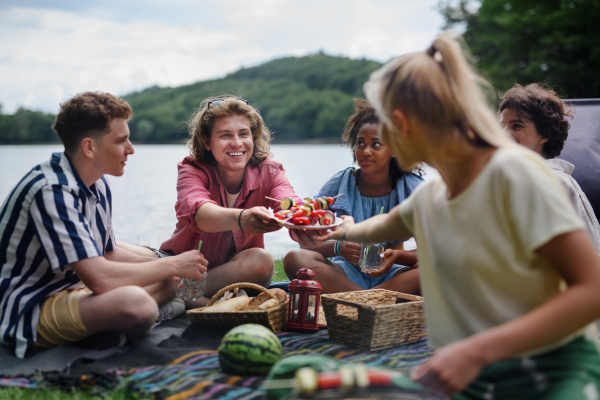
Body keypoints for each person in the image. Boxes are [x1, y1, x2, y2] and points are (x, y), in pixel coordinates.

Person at [302, 33, 600, 399]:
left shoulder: (517, 176)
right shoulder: (430, 195)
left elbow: (592, 289)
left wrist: (475, 352)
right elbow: (374, 228)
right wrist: (338, 228)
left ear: (400, 122)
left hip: (552, 372)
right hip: (470, 376)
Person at [0, 92, 207, 358]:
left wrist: (170, 269)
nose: (131, 149)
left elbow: (107, 252)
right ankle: (139, 319)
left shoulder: (95, 182)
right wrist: (172, 264)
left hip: (70, 290)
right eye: (121, 141)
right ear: (89, 147)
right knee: (139, 305)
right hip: (27, 305)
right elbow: (101, 278)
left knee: (167, 281)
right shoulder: (52, 191)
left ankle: (108, 331)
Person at [153, 97, 297, 305]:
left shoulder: (270, 171)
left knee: (262, 261)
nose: (237, 143)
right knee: (128, 256)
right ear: (206, 141)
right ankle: (200, 300)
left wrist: (304, 221)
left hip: (232, 274)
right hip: (183, 267)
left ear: (253, 137)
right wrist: (242, 218)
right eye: (225, 135)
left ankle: (180, 296)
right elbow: (199, 212)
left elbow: (289, 202)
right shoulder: (192, 169)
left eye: (244, 134)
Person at [284, 99, 422, 294]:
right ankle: (369, 300)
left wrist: (397, 256)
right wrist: (338, 249)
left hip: (393, 275)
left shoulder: (412, 188)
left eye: (376, 144)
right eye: (360, 144)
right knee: (294, 259)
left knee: (434, 271)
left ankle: (358, 300)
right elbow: (306, 242)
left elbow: (434, 250)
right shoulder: (341, 183)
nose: (366, 152)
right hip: (344, 273)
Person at [499, 83, 600, 254]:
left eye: (517, 126)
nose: (503, 133)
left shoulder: (549, 181)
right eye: (502, 125)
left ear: (544, 135)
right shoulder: (523, 177)